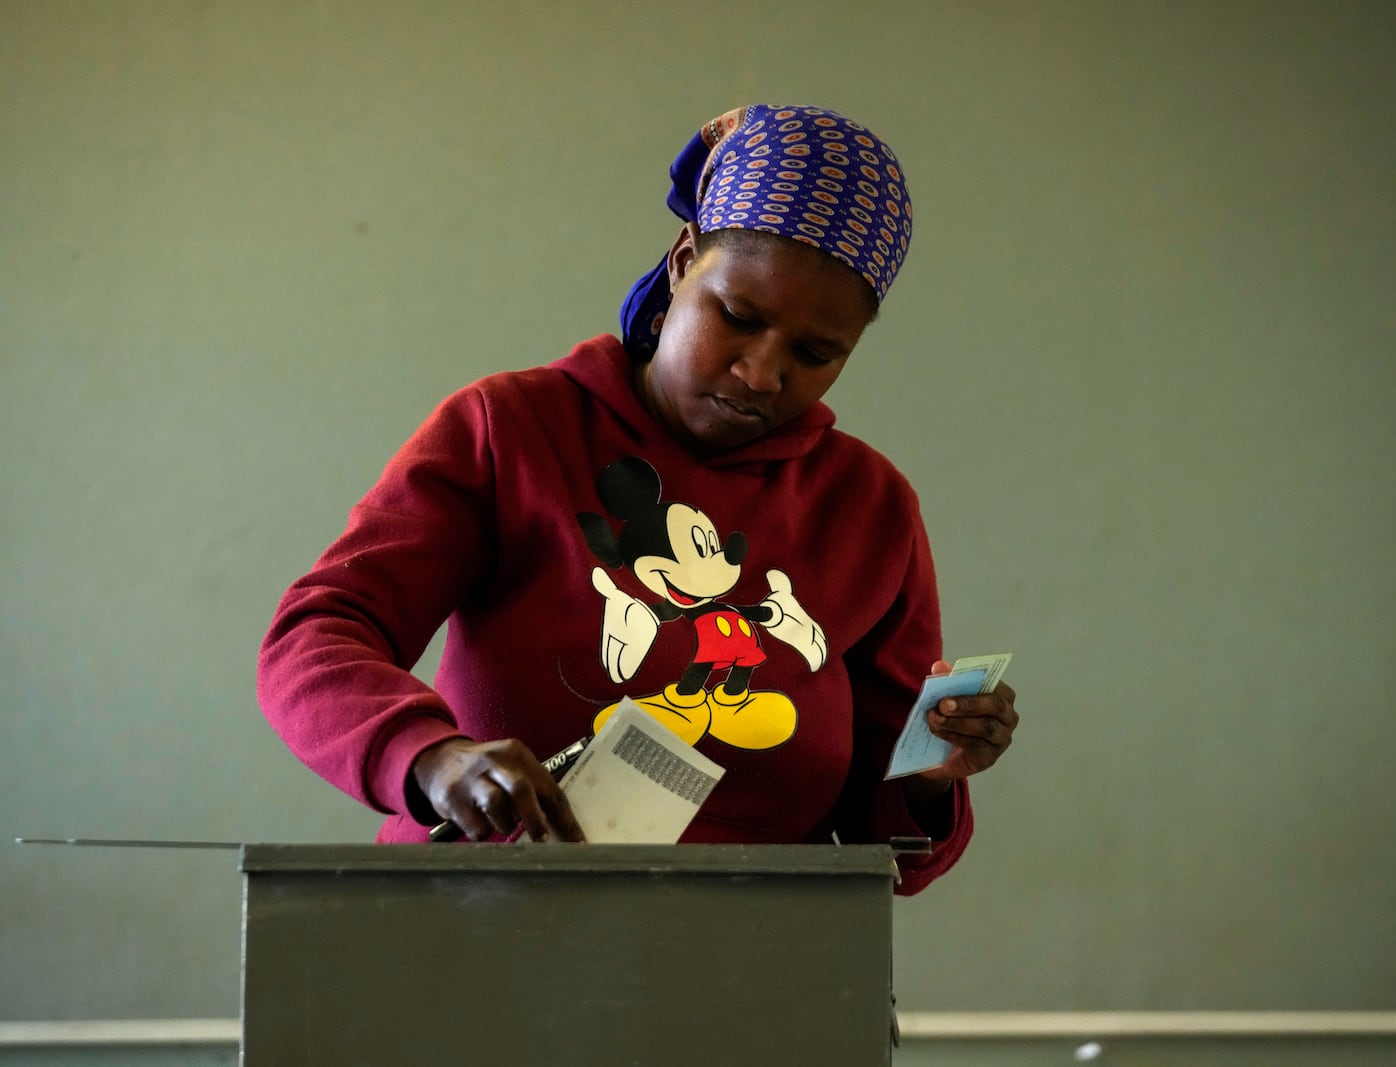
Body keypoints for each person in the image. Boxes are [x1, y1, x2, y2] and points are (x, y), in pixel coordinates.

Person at [256, 104, 1018, 895]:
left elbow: (883, 842)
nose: (761, 373)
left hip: (746, 960)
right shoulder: (509, 431)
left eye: (815, 353)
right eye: (738, 316)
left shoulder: (871, 509)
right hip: (477, 923)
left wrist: (932, 776)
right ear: (685, 259)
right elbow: (315, 635)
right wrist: (426, 755)